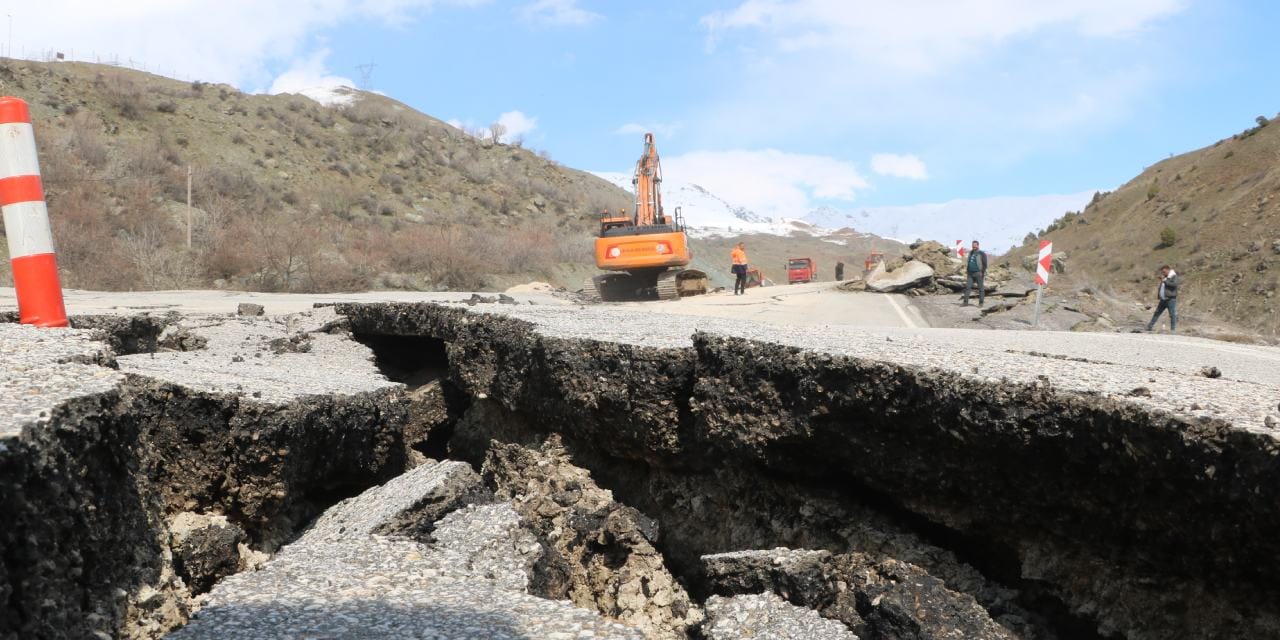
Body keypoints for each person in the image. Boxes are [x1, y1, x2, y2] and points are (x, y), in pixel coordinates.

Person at [1146, 265, 1180, 332]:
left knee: (1172, 314)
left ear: (1168, 270)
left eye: (1164, 272)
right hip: (1163, 299)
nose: (1163, 273)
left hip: (1170, 299)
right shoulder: (1165, 277)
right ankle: (1149, 327)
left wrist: (1165, 281)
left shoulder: (1174, 276)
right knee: (1157, 313)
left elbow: (1174, 285)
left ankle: (1173, 329)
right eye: (1162, 272)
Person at [961, 240, 987, 307]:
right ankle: (965, 302)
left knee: (981, 288)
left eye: (975, 245)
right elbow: (969, 262)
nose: (974, 246)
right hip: (970, 274)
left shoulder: (982, 253)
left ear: (978, 245)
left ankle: (981, 303)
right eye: (973, 245)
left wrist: (982, 272)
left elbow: (985, 264)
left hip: (978, 273)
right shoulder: (971, 253)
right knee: (968, 288)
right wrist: (967, 270)